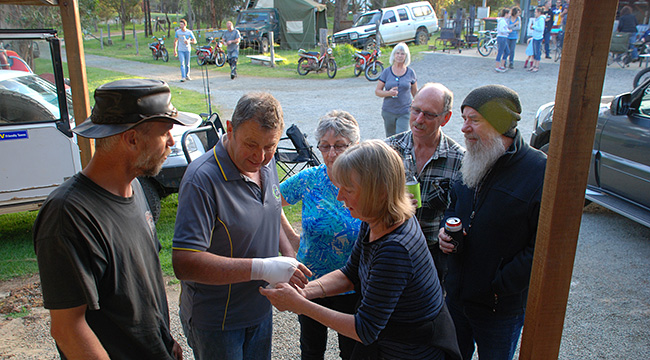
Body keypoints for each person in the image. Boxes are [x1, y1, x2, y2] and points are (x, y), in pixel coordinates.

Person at [33, 78, 198, 359]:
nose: (172, 142)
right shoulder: (69, 215)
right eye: (165, 132)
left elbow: (138, 285)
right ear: (132, 139)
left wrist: (165, 341)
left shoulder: (134, 188)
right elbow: (68, 328)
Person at [262, 140, 460, 360]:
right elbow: (350, 273)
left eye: (348, 189)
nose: (339, 197)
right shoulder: (375, 218)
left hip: (410, 351)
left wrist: (300, 305)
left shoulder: (395, 248)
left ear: (380, 192)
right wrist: (305, 292)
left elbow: (365, 329)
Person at [172, 92, 311, 360]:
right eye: (251, 144)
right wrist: (264, 267)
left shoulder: (265, 164)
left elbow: (271, 208)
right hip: (218, 321)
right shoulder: (201, 180)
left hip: (259, 309)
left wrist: (289, 255)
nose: (260, 156)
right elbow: (184, 263)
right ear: (230, 128)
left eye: (269, 146)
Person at [438, 85, 547, 360]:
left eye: (473, 120)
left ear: (500, 123)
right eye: (464, 119)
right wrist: (445, 231)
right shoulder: (474, 156)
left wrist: (499, 285)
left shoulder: (539, 171)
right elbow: (454, 206)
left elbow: (543, 246)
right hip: (458, 299)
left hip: (499, 309)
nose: (464, 128)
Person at [280, 110, 362, 360]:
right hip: (310, 280)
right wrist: (291, 239)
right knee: (312, 349)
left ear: (354, 146)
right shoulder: (310, 179)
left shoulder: (365, 180)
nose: (331, 153)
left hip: (352, 284)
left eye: (339, 146)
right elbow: (269, 200)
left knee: (352, 351)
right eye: (324, 146)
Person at [385, 82, 464, 287]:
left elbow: (461, 213)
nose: (419, 120)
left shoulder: (460, 160)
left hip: (434, 255)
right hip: (391, 247)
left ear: (446, 118)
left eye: (429, 115)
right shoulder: (387, 150)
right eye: (416, 110)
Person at [375, 42, 418, 137]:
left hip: (404, 111)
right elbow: (378, 91)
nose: (399, 56)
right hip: (388, 111)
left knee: (401, 136)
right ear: (394, 55)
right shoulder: (386, 72)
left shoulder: (410, 72)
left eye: (402, 54)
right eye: (397, 53)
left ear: (406, 56)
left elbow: (415, 93)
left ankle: (400, 152)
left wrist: (417, 106)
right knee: (390, 138)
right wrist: (389, 93)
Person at [529, 7, 546, 72]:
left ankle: (536, 66)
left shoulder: (541, 19)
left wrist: (533, 27)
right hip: (535, 37)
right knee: (534, 52)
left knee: (537, 52)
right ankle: (533, 65)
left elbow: (541, 29)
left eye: (536, 12)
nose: (535, 13)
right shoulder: (537, 19)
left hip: (538, 37)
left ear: (539, 12)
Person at [494, 8, 512, 73]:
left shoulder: (504, 21)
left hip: (504, 37)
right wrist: (508, 31)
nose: (510, 15)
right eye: (509, 13)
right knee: (500, 51)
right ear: (506, 14)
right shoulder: (502, 21)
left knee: (507, 51)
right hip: (501, 37)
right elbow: (501, 30)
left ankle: (502, 65)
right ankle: (497, 66)